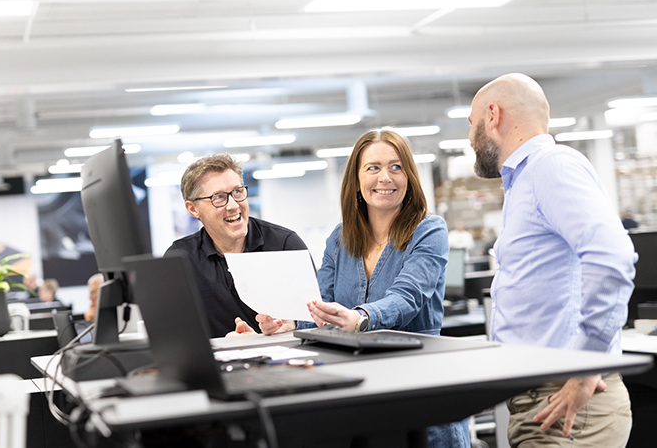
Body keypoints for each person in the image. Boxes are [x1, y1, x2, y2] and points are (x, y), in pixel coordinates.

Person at [255, 128, 470, 448]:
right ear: (356, 180)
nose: (385, 177)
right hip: (361, 390)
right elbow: (322, 304)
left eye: (396, 167)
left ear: (409, 177)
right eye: (373, 167)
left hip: (419, 388)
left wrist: (361, 318)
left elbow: (407, 297)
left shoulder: (429, 229)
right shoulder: (340, 239)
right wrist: (291, 321)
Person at [468, 73, 636, 447]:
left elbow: (613, 256)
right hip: (543, 398)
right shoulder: (524, 180)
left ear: (492, 115)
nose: (468, 138)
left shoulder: (551, 166)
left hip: (567, 403)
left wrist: (586, 365)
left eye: (471, 123)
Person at [166, 153, 308, 338]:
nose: (233, 205)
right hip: (214, 364)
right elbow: (173, 333)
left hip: (284, 359)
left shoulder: (284, 244)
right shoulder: (179, 258)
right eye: (218, 197)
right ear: (193, 209)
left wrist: (290, 323)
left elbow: (319, 317)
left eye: (237, 192)